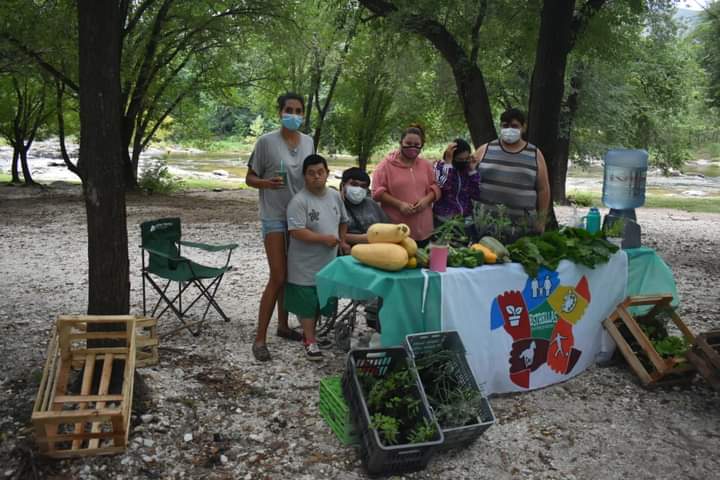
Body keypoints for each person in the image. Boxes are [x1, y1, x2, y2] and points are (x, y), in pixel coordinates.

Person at [245, 92, 314, 362]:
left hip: (300, 217)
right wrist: (265, 183)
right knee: (277, 276)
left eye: (298, 110)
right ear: (280, 112)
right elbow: (249, 178)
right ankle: (259, 339)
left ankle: (284, 326)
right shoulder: (266, 142)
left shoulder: (308, 141)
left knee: (292, 274)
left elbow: (312, 173)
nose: (294, 115)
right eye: (289, 110)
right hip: (274, 215)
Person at [284, 154, 349, 361]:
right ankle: (310, 340)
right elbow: (296, 231)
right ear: (304, 176)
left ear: (328, 173)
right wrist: (323, 239)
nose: (316, 177)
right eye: (311, 173)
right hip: (303, 264)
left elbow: (344, 220)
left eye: (320, 172)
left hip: (328, 261)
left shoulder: (334, 196)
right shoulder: (299, 201)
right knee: (306, 302)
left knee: (323, 300)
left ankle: (314, 335)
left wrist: (342, 239)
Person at [472, 108, 550, 243]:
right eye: (505, 126)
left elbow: (543, 189)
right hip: (485, 229)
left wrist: (541, 221)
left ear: (523, 127)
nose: (509, 130)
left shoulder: (535, 154)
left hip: (523, 230)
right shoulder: (484, 150)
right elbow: (467, 179)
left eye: (514, 126)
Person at [371, 124, 441, 247]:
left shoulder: (426, 165)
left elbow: (435, 187)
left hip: (424, 229)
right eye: (408, 143)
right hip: (396, 229)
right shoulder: (385, 166)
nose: (412, 147)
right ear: (401, 142)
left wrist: (426, 200)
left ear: (422, 145)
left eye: (416, 144)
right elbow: (377, 192)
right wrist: (399, 204)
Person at [433, 138, 482, 239]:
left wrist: (472, 170)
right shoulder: (440, 167)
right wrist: (448, 164)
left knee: (469, 248)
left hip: (466, 217)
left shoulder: (467, 169)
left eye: (466, 159)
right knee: (445, 249)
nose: (463, 162)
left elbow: (476, 193)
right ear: (452, 157)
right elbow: (444, 186)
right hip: (445, 219)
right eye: (460, 160)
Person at [339, 167, 389, 247]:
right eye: (354, 184)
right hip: (347, 253)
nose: (358, 189)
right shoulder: (335, 205)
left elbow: (387, 227)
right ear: (343, 185)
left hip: (375, 252)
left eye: (363, 186)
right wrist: (362, 238)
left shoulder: (372, 204)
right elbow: (330, 234)